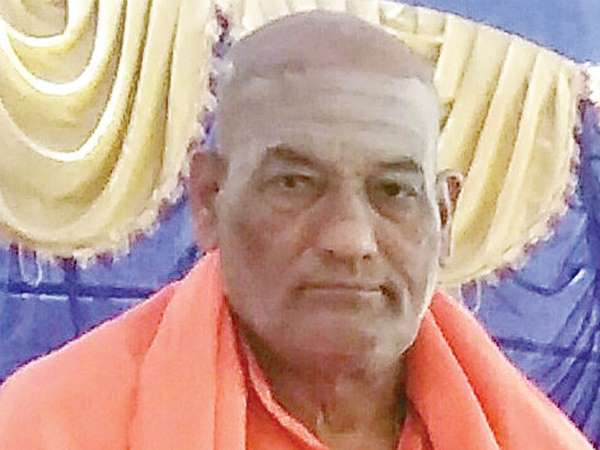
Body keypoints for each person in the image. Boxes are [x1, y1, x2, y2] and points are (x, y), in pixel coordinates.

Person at [0, 10, 594, 450]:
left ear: (443, 216)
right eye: (295, 184)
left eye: (393, 192)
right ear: (209, 201)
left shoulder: (535, 439)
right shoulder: (46, 427)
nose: (351, 239)